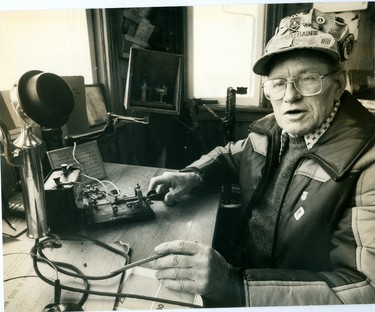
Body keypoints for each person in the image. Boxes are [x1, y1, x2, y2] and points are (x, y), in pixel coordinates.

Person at [148, 8, 375, 307]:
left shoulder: (367, 161)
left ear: (337, 84)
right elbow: (229, 156)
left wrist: (234, 285)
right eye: (278, 83)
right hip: (243, 266)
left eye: (307, 79)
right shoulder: (273, 130)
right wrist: (193, 175)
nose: (289, 96)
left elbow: (363, 288)